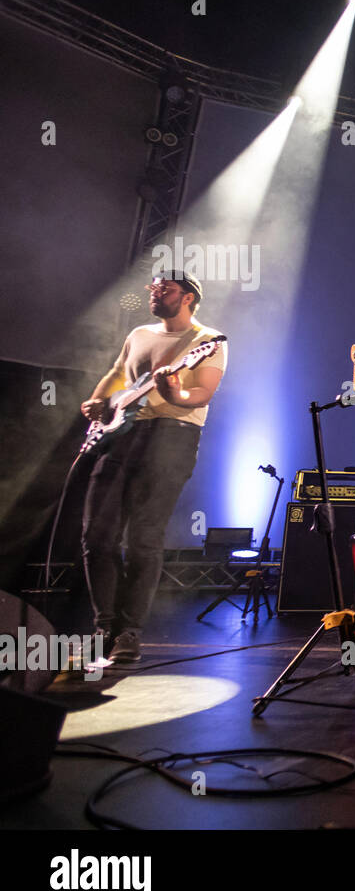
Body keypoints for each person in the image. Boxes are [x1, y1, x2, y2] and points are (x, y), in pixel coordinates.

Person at [79, 270, 227, 662]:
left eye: (167, 289)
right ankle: (102, 626)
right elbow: (117, 374)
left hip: (171, 435)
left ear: (189, 297)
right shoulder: (139, 335)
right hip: (120, 436)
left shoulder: (206, 341)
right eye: (154, 287)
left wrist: (173, 391)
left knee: (144, 538)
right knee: (97, 536)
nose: (156, 293)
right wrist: (98, 403)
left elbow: (202, 393)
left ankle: (130, 632)